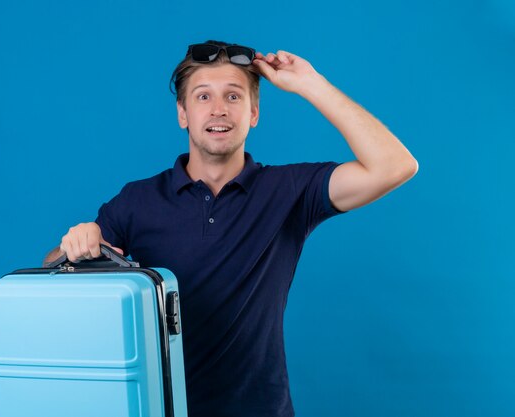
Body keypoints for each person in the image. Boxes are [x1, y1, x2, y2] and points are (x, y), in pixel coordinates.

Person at [44, 40, 418, 417]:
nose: (219, 109)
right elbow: (52, 275)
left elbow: (394, 166)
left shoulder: (289, 191)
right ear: (183, 114)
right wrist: (75, 246)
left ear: (254, 112)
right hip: (161, 410)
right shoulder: (137, 200)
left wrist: (311, 83)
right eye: (203, 96)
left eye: (234, 96)